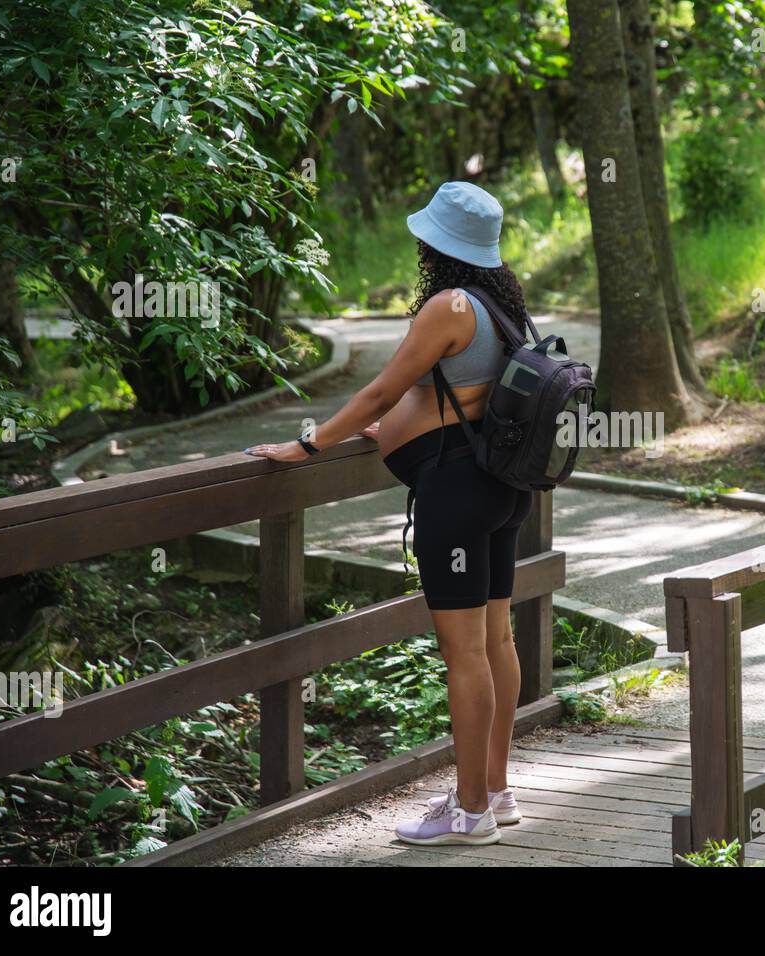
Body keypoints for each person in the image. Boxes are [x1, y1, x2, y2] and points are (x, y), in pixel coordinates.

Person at [245, 181, 534, 846]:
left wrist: (308, 443)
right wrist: (385, 431)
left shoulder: (448, 305)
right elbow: (452, 398)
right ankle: (494, 791)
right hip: (501, 490)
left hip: (457, 498)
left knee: (463, 653)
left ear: (438, 244)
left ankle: (468, 814)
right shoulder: (500, 304)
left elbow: (380, 391)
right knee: (497, 641)